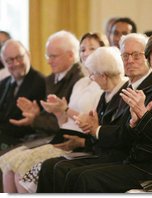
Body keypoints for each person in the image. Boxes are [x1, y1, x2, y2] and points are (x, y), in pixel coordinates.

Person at [38, 31, 152, 193]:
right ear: (149, 61)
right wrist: (133, 124)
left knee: (84, 178)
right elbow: (129, 136)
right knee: (73, 174)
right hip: (135, 161)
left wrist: (143, 116)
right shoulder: (149, 91)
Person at [0, 32, 108, 193]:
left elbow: (86, 123)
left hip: (78, 142)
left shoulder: (86, 80)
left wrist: (41, 117)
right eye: (83, 49)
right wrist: (43, 115)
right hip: (58, 135)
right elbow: (62, 122)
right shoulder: (77, 82)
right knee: (9, 164)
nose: (85, 53)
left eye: (91, 48)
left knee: (20, 171)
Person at [8, 30, 84, 137]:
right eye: (48, 56)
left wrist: (35, 119)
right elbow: (50, 117)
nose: (49, 61)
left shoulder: (80, 80)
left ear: (70, 55)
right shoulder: (50, 78)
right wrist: (36, 114)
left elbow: (69, 123)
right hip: (45, 136)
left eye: (53, 56)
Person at [0, 40, 46, 151]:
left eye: (19, 57)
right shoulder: (4, 83)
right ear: (4, 62)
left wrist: (36, 117)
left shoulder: (42, 82)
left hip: (23, 142)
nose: (16, 63)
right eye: (10, 60)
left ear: (28, 55)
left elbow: (43, 124)